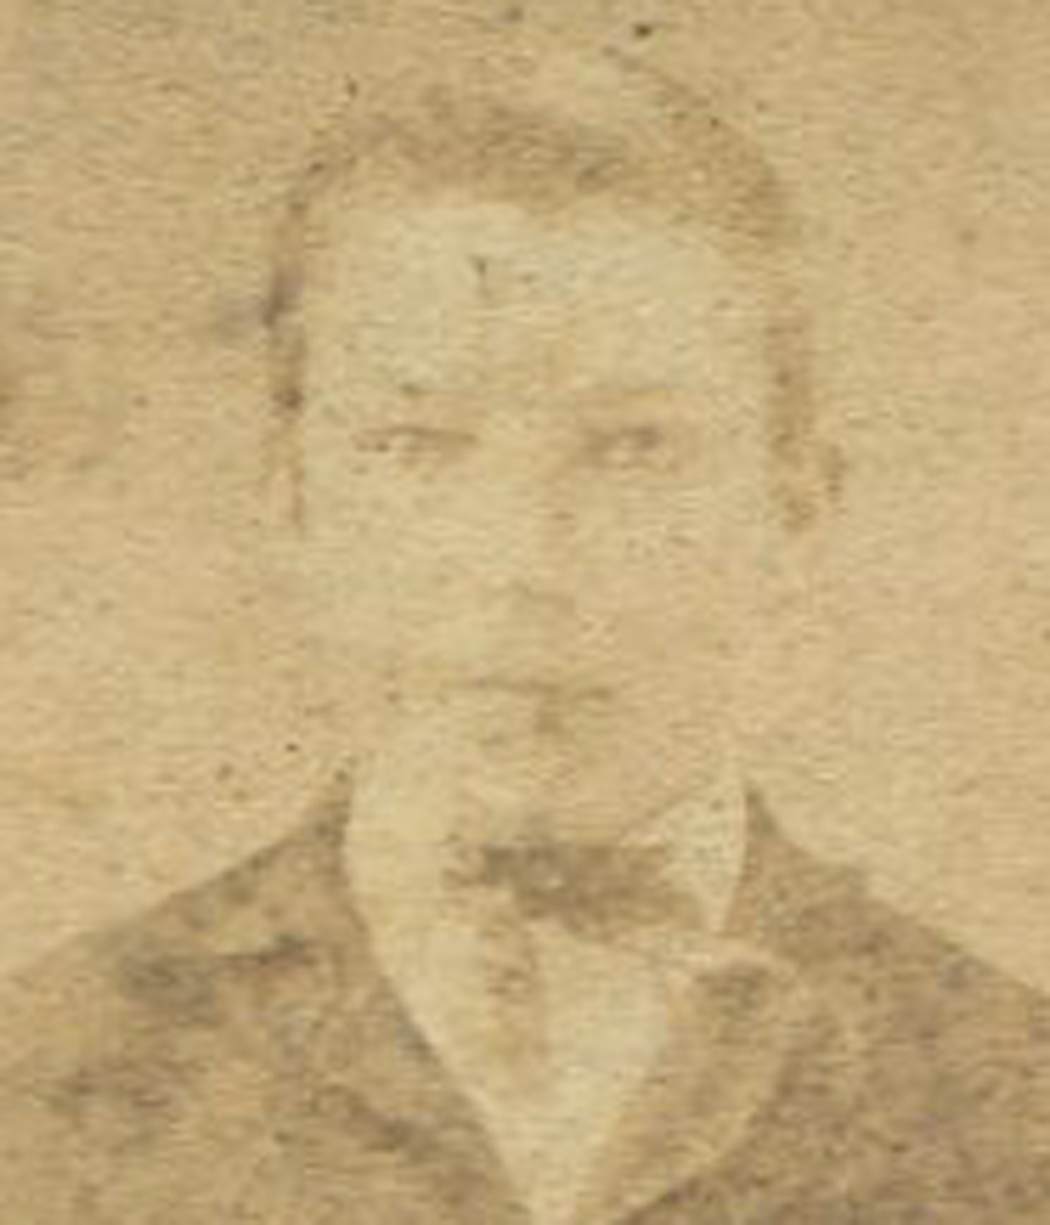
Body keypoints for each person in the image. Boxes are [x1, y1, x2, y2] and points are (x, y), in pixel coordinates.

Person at [1, 45, 1048, 1225]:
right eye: (416, 445)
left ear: (795, 510)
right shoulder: (45, 1081)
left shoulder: (1010, 1095)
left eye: (634, 447)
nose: (522, 561)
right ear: (292, 502)